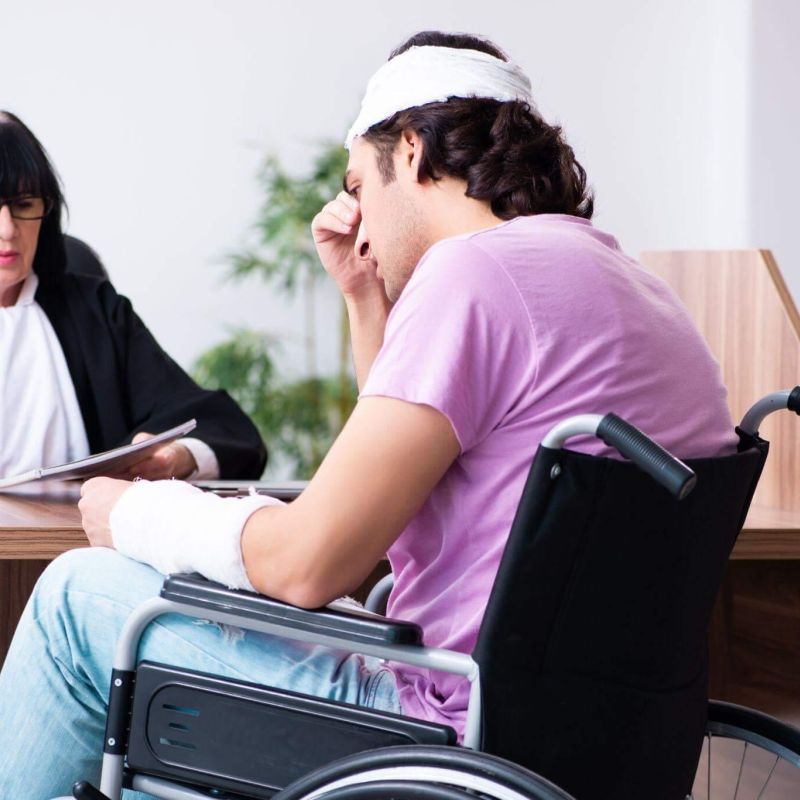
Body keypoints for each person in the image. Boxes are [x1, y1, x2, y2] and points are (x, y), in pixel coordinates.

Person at [0, 32, 737, 797]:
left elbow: (308, 564)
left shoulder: (474, 275)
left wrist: (138, 514)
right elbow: (409, 461)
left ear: (411, 152)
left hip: (436, 731)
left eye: (359, 182)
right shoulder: (632, 283)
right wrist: (363, 296)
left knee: (73, 598)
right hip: (591, 748)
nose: (354, 214)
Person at [0, 111, 266, 482]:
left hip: (73, 535)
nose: (8, 230)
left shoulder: (94, 310)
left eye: (24, 205)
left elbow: (221, 428)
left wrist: (175, 458)